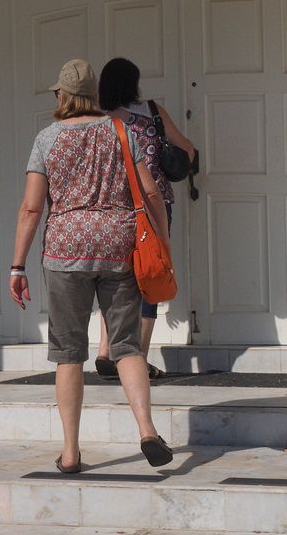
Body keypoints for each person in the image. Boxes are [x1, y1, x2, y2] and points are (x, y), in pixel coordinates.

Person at [9, 59, 173, 471]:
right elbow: (151, 193)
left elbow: (31, 209)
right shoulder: (121, 131)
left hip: (65, 253)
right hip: (118, 246)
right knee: (127, 346)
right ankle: (147, 431)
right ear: (95, 95)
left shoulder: (46, 139)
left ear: (63, 95)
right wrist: (163, 243)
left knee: (69, 354)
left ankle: (70, 452)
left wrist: (17, 266)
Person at [94, 57, 196, 379]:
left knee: (114, 281)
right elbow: (187, 150)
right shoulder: (152, 112)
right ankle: (137, 358)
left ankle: (104, 351)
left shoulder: (99, 122)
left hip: (112, 209)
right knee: (150, 276)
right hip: (152, 207)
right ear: (133, 84)